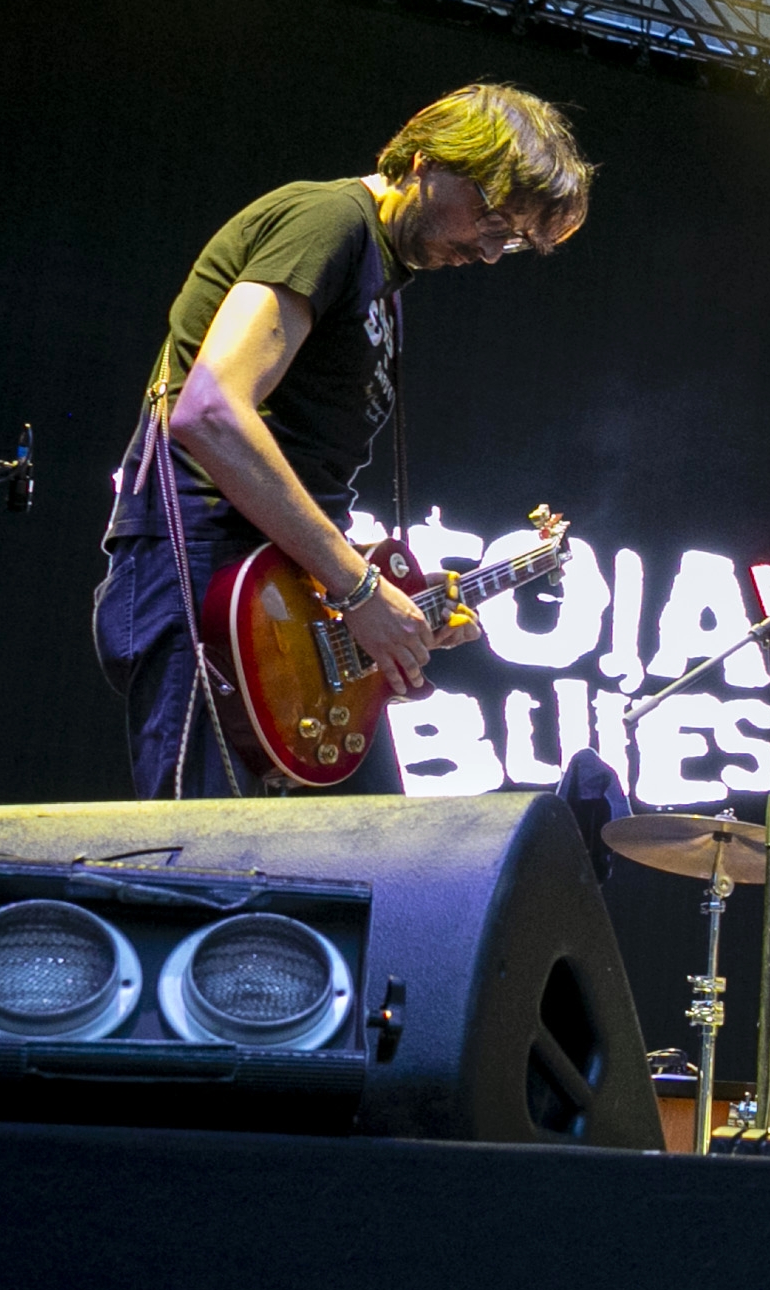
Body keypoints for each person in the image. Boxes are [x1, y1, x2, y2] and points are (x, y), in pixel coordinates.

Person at [95, 84, 592, 798]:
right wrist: (358, 588)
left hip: (267, 585)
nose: (489, 252)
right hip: (204, 565)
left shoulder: (384, 280)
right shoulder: (329, 221)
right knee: (194, 863)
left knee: (240, 874)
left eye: (512, 241)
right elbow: (208, 410)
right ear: (426, 159)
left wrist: (387, 605)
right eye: (490, 216)